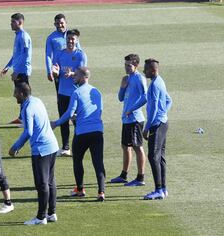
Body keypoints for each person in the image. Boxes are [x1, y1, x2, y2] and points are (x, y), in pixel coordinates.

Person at [51, 67, 106, 201]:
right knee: (98, 162)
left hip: (82, 132)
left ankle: (80, 190)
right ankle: (101, 192)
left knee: (77, 160)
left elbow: (69, 113)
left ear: (82, 76)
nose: (73, 76)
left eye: (76, 75)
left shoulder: (76, 92)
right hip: (97, 131)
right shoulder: (97, 92)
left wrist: (56, 123)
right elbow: (99, 111)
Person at [9, 83, 59, 225]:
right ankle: (51, 213)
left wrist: (15, 147)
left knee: (42, 184)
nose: (14, 95)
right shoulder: (37, 101)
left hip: (41, 149)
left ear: (22, 94)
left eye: (16, 92)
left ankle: (40, 217)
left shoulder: (27, 108)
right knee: (50, 181)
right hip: (52, 145)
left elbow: (28, 131)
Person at [110, 54, 148, 186]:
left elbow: (145, 97)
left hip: (135, 119)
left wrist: (132, 109)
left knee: (138, 147)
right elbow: (120, 98)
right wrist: (122, 86)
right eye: (125, 65)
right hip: (126, 119)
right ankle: (124, 175)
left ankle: (140, 177)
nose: (126, 68)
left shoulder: (139, 78)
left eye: (129, 65)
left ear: (136, 65)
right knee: (126, 146)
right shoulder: (127, 78)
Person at [52, 29, 87, 157]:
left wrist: (72, 74)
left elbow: (82, 73)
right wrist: (55, 71)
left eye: (73, 39)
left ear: (77, 40)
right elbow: (55, 67)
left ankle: (79, 147)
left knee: (77, 120)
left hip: (76, 93)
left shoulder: (81, 55)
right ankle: (66, 147)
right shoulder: (60, 54)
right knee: (63, 120)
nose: (70, 41)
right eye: (68, 39)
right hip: (62, 92)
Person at [142, 58, 172, 200]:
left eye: (146, 69)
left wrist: (146, 127)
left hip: (157, 125)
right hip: (163, 123)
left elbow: (153, 110)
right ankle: (163, 188)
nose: (143, 71)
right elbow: (169, 100)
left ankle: (158, 189)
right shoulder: (161, 81)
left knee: (153, 156)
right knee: (160, 157)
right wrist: (164, 113)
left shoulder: (154, 86)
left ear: (153, 70)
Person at [0, 13, 32, 124]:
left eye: (13, 21)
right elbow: (16, 55)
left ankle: (25, 118)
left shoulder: (23, 36)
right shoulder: (18, 35)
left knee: (23, 95)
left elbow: (26, 55)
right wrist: (8, 67)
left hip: (22, 71)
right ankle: (22, 117)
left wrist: (17, 71)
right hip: (18, 70)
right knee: (20, 94)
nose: (11, 24)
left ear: (20, 22)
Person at [45, 13, 81, 94]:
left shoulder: (72, 35)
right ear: (54, 24)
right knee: (60, 94)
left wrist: (81, 70)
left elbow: (79, 51)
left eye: (61, 23)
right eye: (57, 23)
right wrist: (49, 71)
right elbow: (48, 55)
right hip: (59, 71)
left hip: (74, 69)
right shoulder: (51, 38)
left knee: (76, 94)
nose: (60, 25)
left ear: (66, 22)